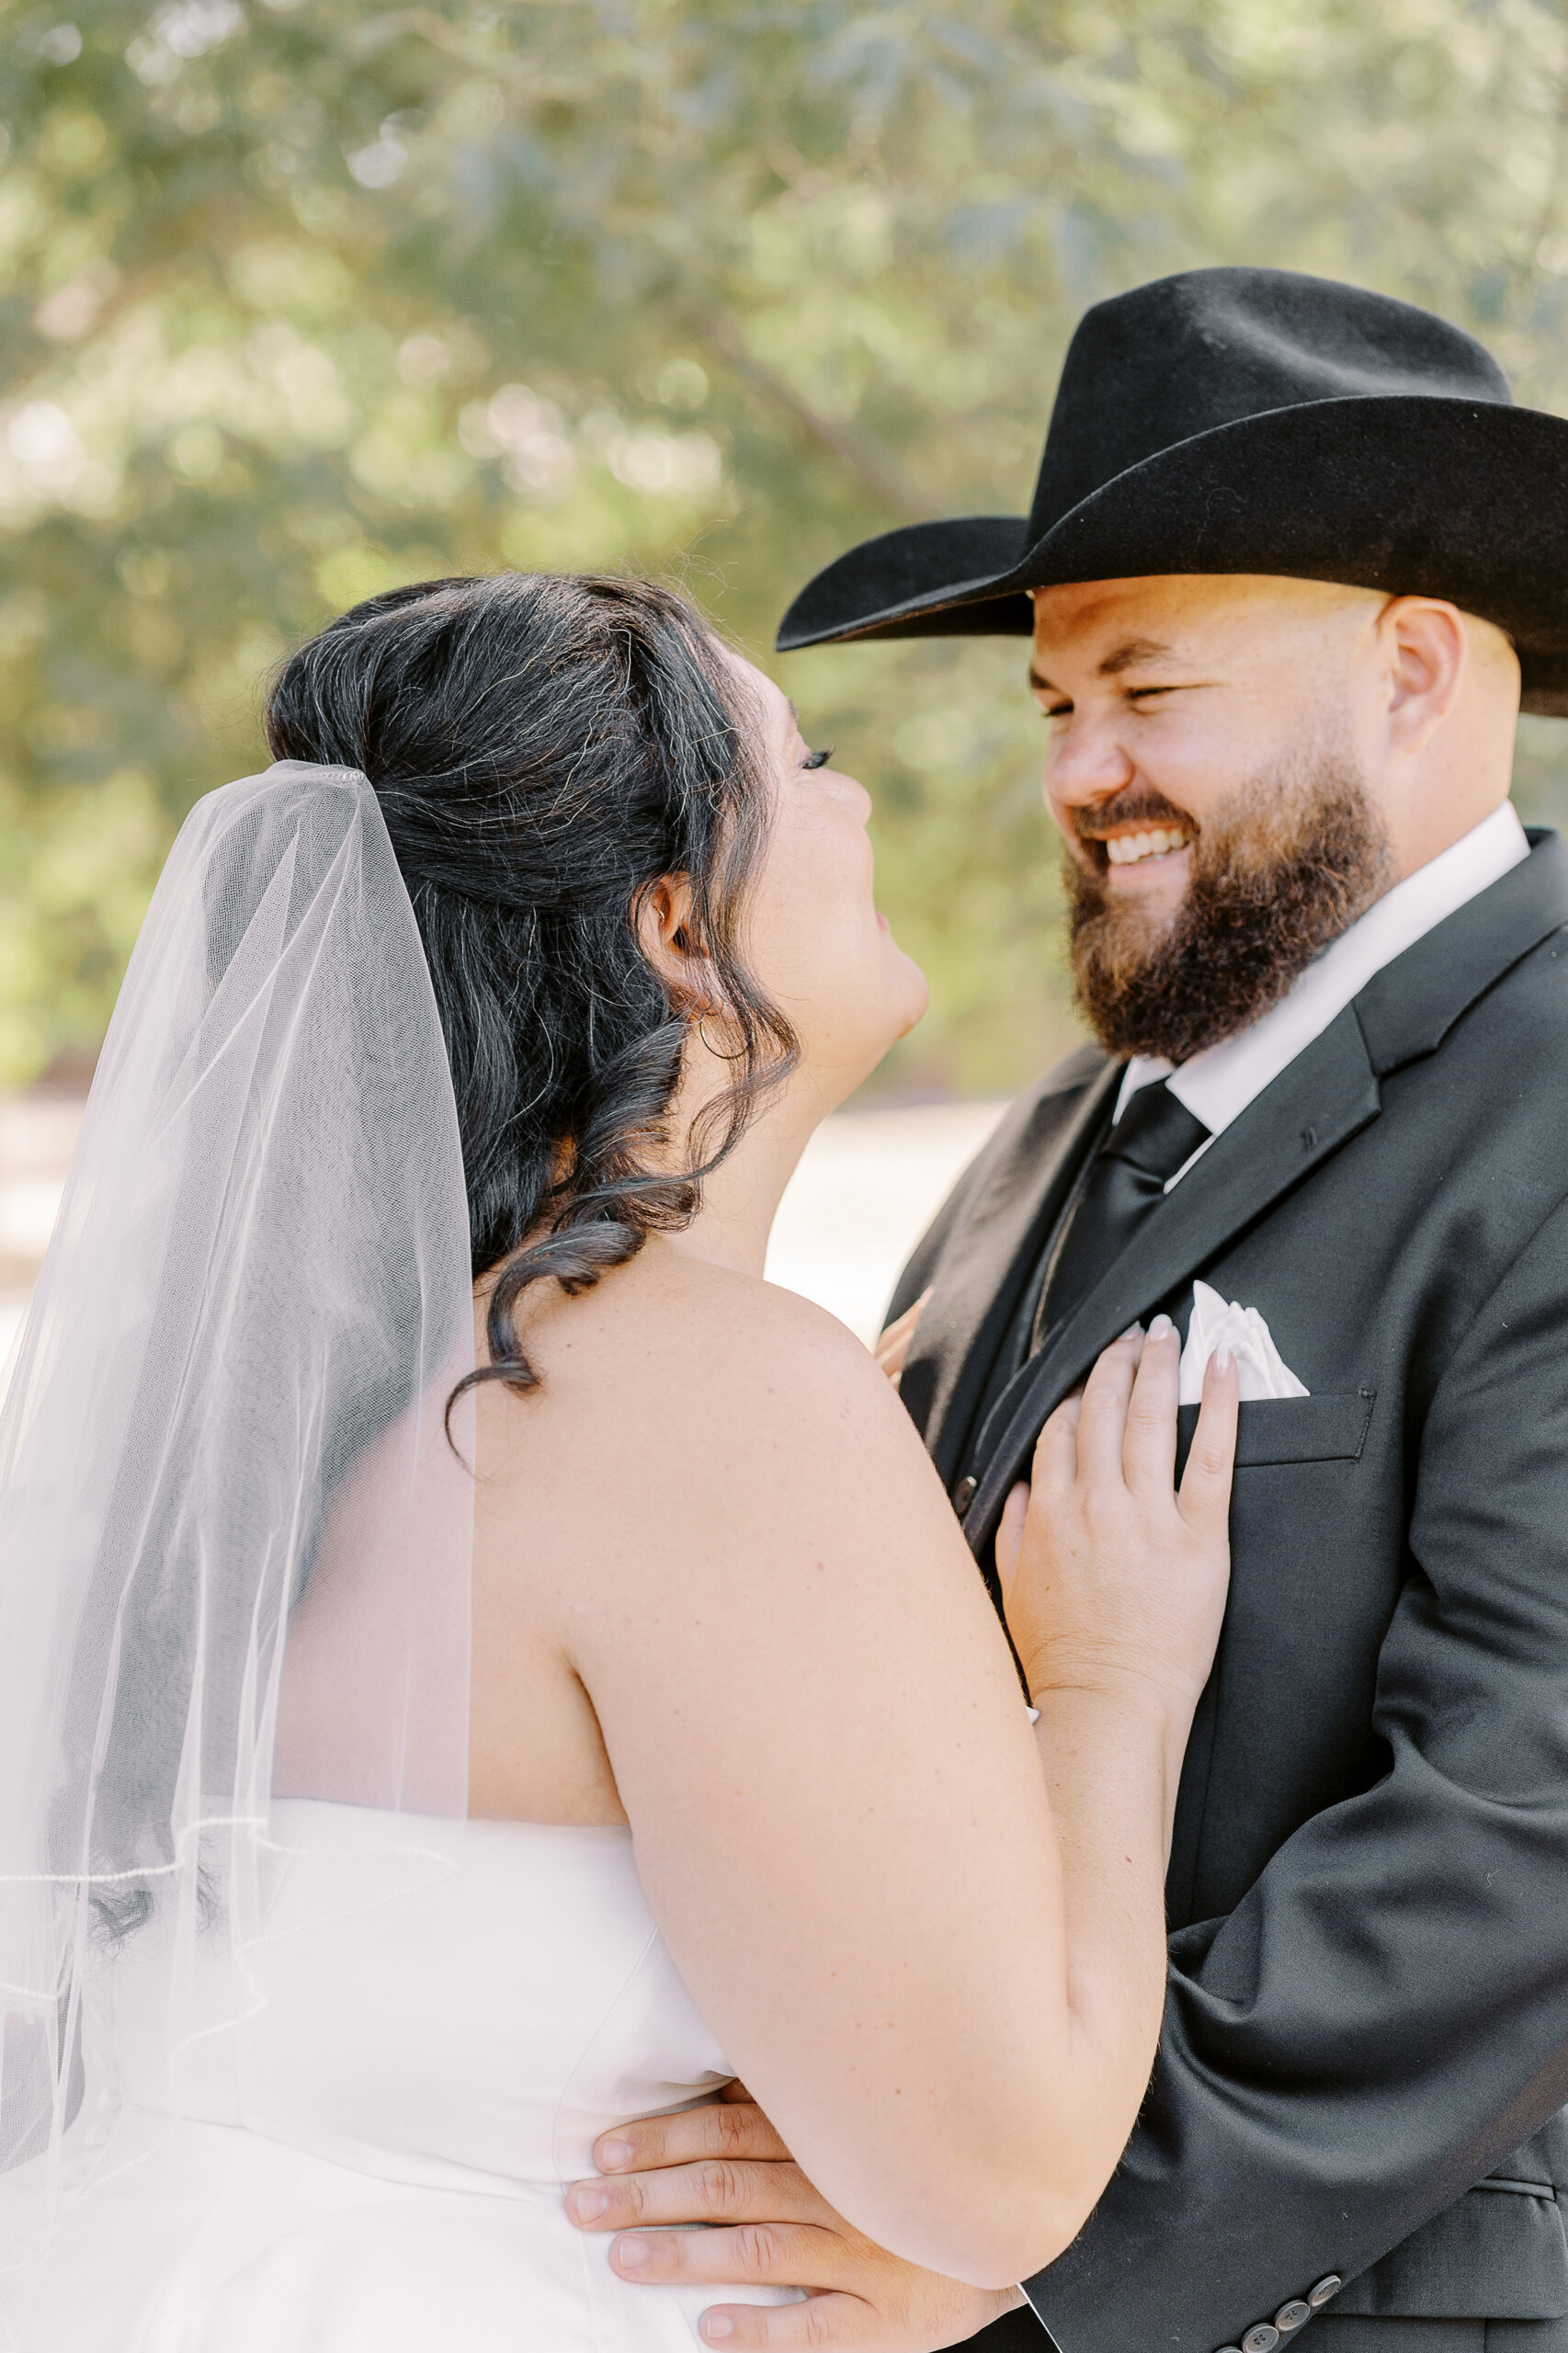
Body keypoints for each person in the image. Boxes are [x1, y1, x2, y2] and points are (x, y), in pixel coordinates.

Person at [0, 572, 1238, 2352]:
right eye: (808, 763)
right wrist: (1112, 1685)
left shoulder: (324, 1396)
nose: (857, 806)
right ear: (674, 922)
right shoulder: (705, 1395)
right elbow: (994, 2175)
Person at [568, 269, 1568, 2353]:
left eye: (1148, 690)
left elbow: (1523, 1818)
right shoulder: (1049, 1135)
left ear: (1408, 670)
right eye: (1050, 708)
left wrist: (1033, 2232)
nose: (1081, 772)